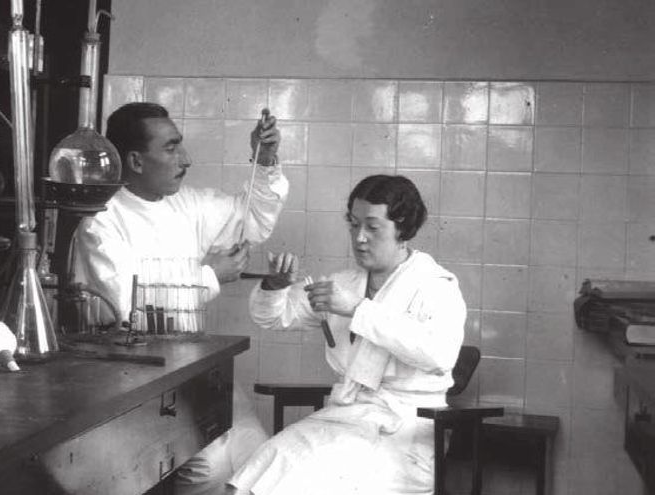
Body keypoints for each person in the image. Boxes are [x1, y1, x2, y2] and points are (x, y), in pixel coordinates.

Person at [71, 102, 289, 495]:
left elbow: (251, 221)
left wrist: (266, 159)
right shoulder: (102, 221)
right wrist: (209, 276)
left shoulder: (186, 204)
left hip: (192, 365)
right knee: (210, 469)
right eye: (171, 148)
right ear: (135, 161)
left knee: (258, 452)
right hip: (132, 378)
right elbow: (126, 307)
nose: (185, 159)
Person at [228, 175, 466, 495]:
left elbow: (439, 354)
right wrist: (275, 286)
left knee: (302, 484)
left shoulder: (436, 285)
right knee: (253, 478)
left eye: (372, 226)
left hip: (403, 436)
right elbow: (272, 318)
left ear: (403, 228)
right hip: (341, 420)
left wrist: (358, 310)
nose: (359, 238)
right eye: (353, 225)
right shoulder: (344, 284)